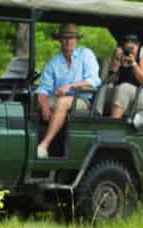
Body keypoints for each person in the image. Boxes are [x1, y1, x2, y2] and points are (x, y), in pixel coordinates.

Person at [35, 23, 100, 159]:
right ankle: (37, 144)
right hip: (59, 99)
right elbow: (43, 89)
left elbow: (94, 81)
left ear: (76, 40)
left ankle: (44, 145)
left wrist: (70, 86)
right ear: (59, 40)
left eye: (71, 38)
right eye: (64, 37)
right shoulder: (53, 62)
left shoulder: (86, 55)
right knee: (37, 102)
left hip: (84, 100)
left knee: (62, 102)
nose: (68, 41)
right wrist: (45, 106)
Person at [106, 34, 143, 119]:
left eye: (133, 46)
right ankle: (95, 118)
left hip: (142, 94)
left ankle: (113, 121)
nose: (130, 50)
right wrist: (116, 61)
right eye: (127, 44)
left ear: (138, 44)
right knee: (104, 88)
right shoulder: (121, 53)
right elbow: (112, 79)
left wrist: (133, 64)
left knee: (124, 88)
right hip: (121, 92)